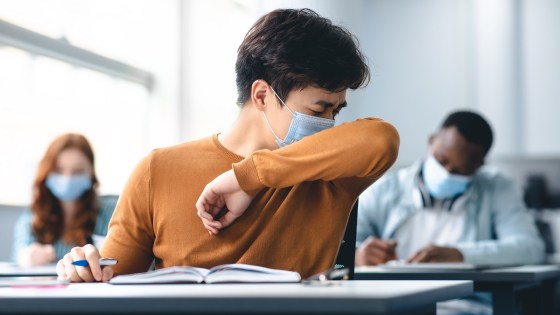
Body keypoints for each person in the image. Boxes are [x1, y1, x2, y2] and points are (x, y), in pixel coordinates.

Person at [55, 8, 399, 283]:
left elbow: (381, 139)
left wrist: (247, 178)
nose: (330, 124)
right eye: (320, 109)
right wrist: (83, 268)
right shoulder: (157, 170)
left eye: (336, 111)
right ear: (262, 95)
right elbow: (111, 278)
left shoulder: (329, 173)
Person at [355, 110, 545, 266]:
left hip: (466, 307)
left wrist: (459, 254)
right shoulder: (384, 188)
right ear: (431, 141)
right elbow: (335, 253)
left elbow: (530, 249)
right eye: (441, 160)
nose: (446, 173)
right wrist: (356, 257)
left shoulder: (496, 187)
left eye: (460, 170)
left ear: (480, 165)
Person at [12, 133, 117, 267]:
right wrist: (27, 257)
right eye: (59, 170)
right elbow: (20, 255)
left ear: (91, 173)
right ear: (46, 171)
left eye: (77, 171)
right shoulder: (32, 217)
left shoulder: (112, 211)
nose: (67, 179)